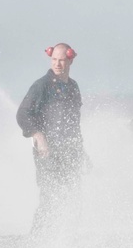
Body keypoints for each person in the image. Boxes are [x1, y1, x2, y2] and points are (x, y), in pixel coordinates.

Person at [16, 43, 87, 231]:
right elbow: (22, 114)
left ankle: (67, 240)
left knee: (74, 198)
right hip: (46, 153)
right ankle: (38, 243)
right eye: (54, 59)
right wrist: (38, 135)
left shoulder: (73, 87)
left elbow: (74, 124)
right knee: (50, 198)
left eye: (62, 60)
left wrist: (82, 153)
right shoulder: (41, 86)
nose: (57, 64)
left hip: (69, 151)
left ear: (70, 60)